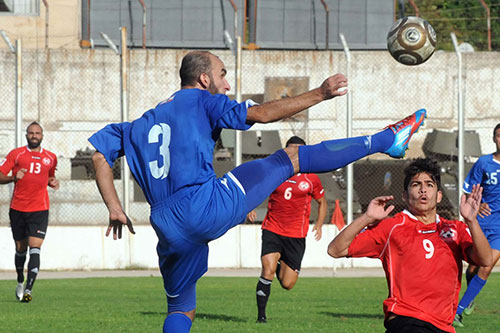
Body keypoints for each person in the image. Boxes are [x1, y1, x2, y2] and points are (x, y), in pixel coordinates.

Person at [88, 50, 426, 332]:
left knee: (180, 307)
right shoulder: (204, 101)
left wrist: (115, 207)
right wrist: (320, 94)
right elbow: (262, 114)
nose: (227, 83)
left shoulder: (139, 124)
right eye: (222, 75)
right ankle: (388, 140)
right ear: (204, 79)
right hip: (204, 204)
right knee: (291, 158)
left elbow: (99, 154)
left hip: (165, 223)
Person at [327, 158, 492, 333]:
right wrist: (367, 218)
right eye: (416, 184)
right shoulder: (392, 227)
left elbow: (485, 259)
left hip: (443, 325)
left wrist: (472, 221)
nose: (423, 189)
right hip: (406, 320)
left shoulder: (455, 229)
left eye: (429, 184)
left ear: (439, 195)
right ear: (405, 195)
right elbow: (335, 250)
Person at [254, 135, 327, 323]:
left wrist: (318, 224)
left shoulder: (311, 178)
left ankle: (280, 263)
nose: (295, 153)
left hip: (296, 235)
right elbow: (257, 189)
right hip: (272, 228)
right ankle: (261, 317)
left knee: (288, 284)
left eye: (299, 150)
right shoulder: (275, 172)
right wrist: (251, 206)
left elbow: (322, 202)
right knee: (267, 269)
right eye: (291, 149)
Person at [0, 122, 59, 303]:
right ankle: (19, 280)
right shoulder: (16, 154)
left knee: (35, 248)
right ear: (26, 135)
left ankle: (28, 289)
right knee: (21, 249)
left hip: (39, 209)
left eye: (37, 133)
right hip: (18, 209)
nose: (34, 135)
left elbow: (49, 176)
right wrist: (12, 177)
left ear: (42, 135)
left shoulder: (51, 157)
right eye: (31, 133)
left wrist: (53, 182)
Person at [454, 123, 500, 328]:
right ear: (493, 139)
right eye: (499, 136)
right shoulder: (483, 163)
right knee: (473, 267)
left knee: (486, 266)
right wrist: (477, 205)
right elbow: (468, 192)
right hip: (481, 224)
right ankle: (470, 292)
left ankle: (457, 312)